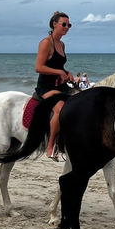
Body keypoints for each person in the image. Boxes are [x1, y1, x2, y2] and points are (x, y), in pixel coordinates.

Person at [35, 11, 75, 161]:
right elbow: (39, 67)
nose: (66, 27)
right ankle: (50, 146)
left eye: (69, 25)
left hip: (60, 86)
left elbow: (58, 65)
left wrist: (67, 72)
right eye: (64, 24)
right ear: (54, 24)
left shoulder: (61, 44)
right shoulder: (46, 43)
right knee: (60, 110)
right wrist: (59, 72)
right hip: (46, 87)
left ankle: (66, 143)